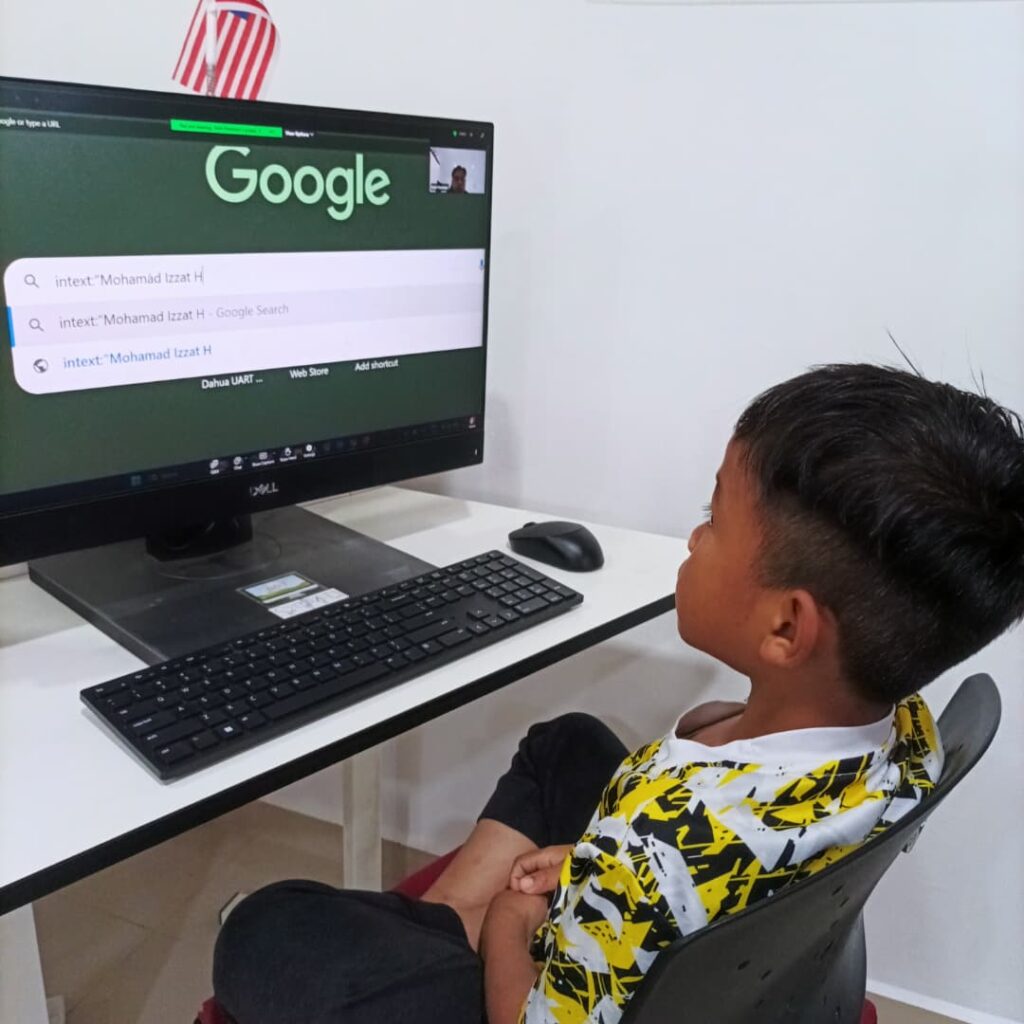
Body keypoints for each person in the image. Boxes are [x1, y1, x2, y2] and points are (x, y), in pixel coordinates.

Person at [212, 364, 1024, 1024]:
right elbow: (694, 869)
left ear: (785, 627)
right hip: (714, 925)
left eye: (713, 518)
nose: (693, 536)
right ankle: (449, 920)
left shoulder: (649, 855)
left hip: (557, 992)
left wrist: (515, 924)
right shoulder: (911, 730)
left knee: (268, 926)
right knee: (568, 743)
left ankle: (459, 929)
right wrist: (598, 871)